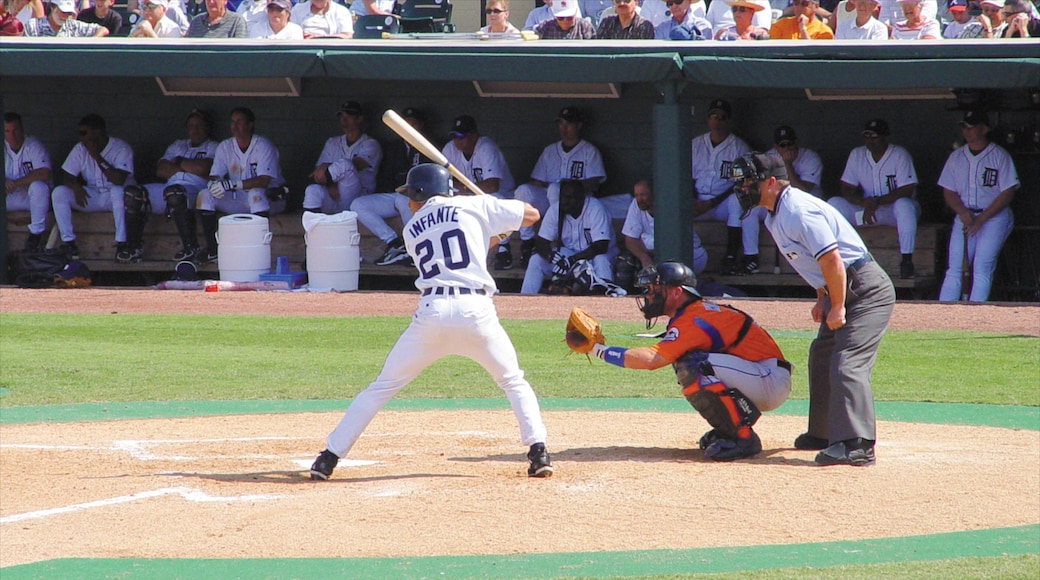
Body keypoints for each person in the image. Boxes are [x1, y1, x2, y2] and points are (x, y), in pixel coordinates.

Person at [309, 163, 554, 481]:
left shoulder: (412, 229)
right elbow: (531, 215)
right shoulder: (474, 205)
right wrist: (493, 215)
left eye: (412, 195)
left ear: (424, 193)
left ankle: (328, 458)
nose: (409, 202)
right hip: (476, 312)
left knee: (381, 387)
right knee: (512, 381)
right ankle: (538, 452)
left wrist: (491, 224)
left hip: (431, 314)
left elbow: (462, 242)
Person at [731, 152, 894, 467]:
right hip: (840, 287)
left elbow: (833, 259)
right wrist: (823, 296)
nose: (742, 188)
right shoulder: (774, 215)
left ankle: (856, 444)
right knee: (821, 355)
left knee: (848, 363)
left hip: (865, 288)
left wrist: (838, 306)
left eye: (748, 181)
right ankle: (823, 433)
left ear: (770, 183)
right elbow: (812, 262)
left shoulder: (799, 210)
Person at [580, 261, 791, 461]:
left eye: (655, 288)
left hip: (768, 379)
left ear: (676, 292)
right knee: (690, 363)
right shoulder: (693, 314)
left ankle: (743, 438)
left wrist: (597, 349)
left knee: (693, 365)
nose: (649, 294)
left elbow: (651, 360)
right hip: (759, 375)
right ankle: (729, 430)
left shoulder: (695, 318)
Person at [938, 110, 1019, 302]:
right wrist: (963, 213)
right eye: (965, 126)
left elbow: (1007, 192)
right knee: (955, 268)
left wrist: (980, 219)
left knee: (982, 266)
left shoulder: (999, 155)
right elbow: (948, 191)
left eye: (971, 126)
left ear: (985, 128)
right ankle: (942, 314)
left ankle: (974, 318)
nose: (967, 131)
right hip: (965, 216)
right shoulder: (956, 157)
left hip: (993, 217)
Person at [514, 106, 606, 268]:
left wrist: (570, 186)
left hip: (577, 204)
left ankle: (557, 232)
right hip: (550, 201)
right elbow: (537, 181)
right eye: (561, 123)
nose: (564, 128)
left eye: (569, 124)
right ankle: (527, 242)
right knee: (523, 190)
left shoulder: (589, 151)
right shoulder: (550, 151)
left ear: (578, 125)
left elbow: (595, 182)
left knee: (556, 189)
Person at [830, 118, 921, 279]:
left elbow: (907, 190)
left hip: (892, 213)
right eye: (867, 136)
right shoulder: (857, 154)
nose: (870, 140)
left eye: (875, 136)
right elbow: (846, 188)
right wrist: (862, 202)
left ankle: (907, 260)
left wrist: (877, 202)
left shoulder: (899, 154)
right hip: (868, 212)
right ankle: (835, 259)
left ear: (886, 136)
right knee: (834, 204)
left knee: (904, 205)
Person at [195, 106, 285, 264]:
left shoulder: (263, 145)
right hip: (241, 199)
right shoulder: (225, 146)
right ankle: (212, 250)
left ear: (250, 125)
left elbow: (264, 181)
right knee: (205, 195)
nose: (235, 126)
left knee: (255, 193)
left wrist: (231, 184)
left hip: (271, 199)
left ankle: (258, 249)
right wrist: (213, 184)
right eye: (232, 122)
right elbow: (215, 174)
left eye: (239, 122)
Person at [130, 109, 217, 262]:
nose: (194, 129)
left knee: (175, 194)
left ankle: (191, 247)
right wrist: (189, 167)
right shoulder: (178, 145)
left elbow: (203, 168)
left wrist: (178, 162)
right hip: (170, 185)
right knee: (133, 194)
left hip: (196, 189)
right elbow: (161, 170)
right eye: (191, 126)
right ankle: (133, 248)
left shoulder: (214, 146)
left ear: (207, 128)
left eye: (199, 125)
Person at [352, 107, 434, 267]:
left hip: (421, 200)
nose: (409, 127)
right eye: (406, 123)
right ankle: (394, 242)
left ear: (420, 125)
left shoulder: (430, 146)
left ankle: (415, 248)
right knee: (358, 204)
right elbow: (387, 178)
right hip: (396, 196)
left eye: (413, 123)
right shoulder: (394, 147)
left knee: (403, 198)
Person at [51, 114, 134, 261]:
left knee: (117, 191)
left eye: (84, 133)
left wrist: (96, 156)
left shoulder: (121, 148)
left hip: (117, 199)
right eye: (80, 133)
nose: (81, 138)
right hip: (93, 196)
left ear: (98, 132)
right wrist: (75, 186)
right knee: (59, 192)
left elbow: (118, 180)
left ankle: (122, 244)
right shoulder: (80, 149)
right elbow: (66, 176)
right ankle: (69, 244)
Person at [520, 179, 620, 295]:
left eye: (569, 198)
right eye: (563, 197)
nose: (564, 202)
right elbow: (542, 242)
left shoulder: (595, 208)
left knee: (601, 260)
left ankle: (605, 301)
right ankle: (526, 297)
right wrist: (551, 256)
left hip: (599, 254)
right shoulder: (556, 209)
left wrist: (571, 261)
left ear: (581, 198)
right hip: (572, 253)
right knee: (536, 260)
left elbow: (600, 246)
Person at [690, 99, 755, 276]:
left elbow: (741, 182)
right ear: (707, 119)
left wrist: (712, 202)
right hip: (696, 201)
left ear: (729, 121)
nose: (717, 121)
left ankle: (731, 256)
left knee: (738, 201)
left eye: (722, 117)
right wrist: (692, 199)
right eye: (713, 116)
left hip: (722, 204)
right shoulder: (695, 144)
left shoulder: (739, 147)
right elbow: (684, 176)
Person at [302, 100, 382, 215]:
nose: (344, 121)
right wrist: (329, 184)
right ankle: (311, 227)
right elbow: (318, 172)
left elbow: (355, 165)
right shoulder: (332, 142)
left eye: (348, 116)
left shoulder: (370, 144)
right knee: (312, 190)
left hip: (358, 198)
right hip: (333, 194)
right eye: (341, 117)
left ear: (359, 119)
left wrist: (326, 168)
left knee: (346, 165)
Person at [621, 178, 708, 275]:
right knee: (626, 263)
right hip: (661, 255)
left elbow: (671, 247)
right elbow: (630, 239)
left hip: (693, 255)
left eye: (643, 195)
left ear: (654, 194)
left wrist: (646, 250)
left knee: (648, 241)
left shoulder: (668, 205)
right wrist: (644, 257)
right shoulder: (636, 205)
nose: (639, 199)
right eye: (636, 195)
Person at [4, 112, 51, 252]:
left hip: (30, 199)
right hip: (9, 197)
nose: (12, 135)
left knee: (39, 187)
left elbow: (44, 173)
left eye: (15, 130)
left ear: (22, 129)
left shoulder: (33, 145)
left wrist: (17, 183)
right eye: (7, 131)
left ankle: (35, 235)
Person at [765, 126, 824, 199]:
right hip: (781, 201)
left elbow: (803, 192)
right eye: (782, 145)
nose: (787, 148)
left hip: (809, 200)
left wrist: (787, 163)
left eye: (789, 144)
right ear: (776, 147)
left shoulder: (811, 158)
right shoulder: (768, 158)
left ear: (797, 143)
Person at [25, 0, 108, 36]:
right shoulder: (33, 26)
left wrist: (92, 41)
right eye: (63, 12)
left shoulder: (73, 26)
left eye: (69, 13)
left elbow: (103, 29)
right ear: (53, 8)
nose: (65, 16)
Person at [769, 0, 835, 38]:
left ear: (816, 6)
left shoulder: (824, 31)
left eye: (804, 3)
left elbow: (813, 54)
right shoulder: (780, 25)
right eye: (796, 3)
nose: (799, 7)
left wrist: (803, 29)